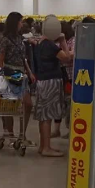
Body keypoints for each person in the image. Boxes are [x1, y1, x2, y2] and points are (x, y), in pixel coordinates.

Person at [33, 16, 72, 157]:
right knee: (48, 116)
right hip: (51, 82)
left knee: (43, 116)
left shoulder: (39, 43)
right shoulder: (50, 45)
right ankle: (46, 147)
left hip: (42, 81)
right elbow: (67, 58)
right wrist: (63, 41)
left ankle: (43, 146)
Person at [0, 11, 34, 136]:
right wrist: (4, 75)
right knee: (10, 106)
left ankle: (22, 133)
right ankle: (10, 133)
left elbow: (23, 58)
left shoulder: (20, 38)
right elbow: (0, 60)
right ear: (15, 23)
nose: (22, 24)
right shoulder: (5, 40)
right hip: (9, 74)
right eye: (20, 22)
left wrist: (29, 72)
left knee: (28, 104)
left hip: (22, 74)